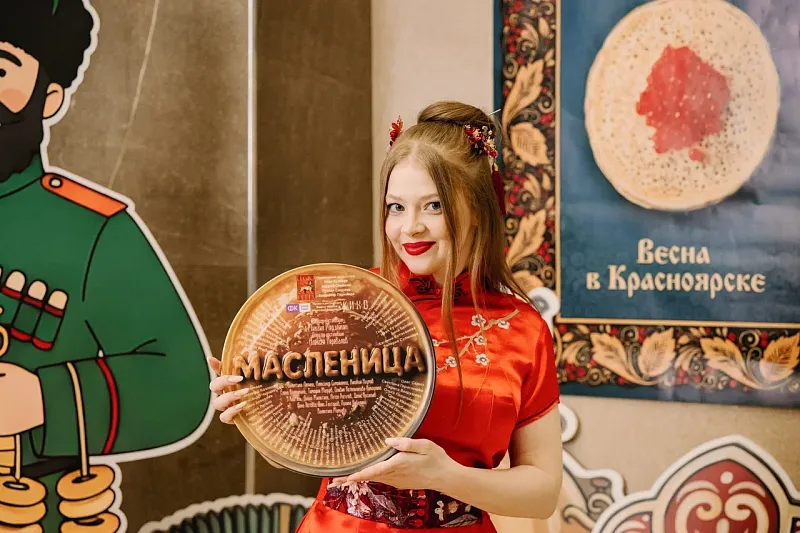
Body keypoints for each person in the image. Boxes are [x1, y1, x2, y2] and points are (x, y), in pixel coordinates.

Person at [208, 101, 563, 531]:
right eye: (396, 207)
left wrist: (445, 476)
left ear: (479, 208)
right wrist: (259, 410)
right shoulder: (344, 302)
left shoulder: (522, 330)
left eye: (433, 206)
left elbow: (543, 493)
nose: (410, 227)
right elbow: (312, 447)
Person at [0, 1, 213, 531]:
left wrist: (42, 399)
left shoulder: (93, 228)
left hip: (34, 509)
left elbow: (182, 383)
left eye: (1, 68)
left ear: (49, 97)